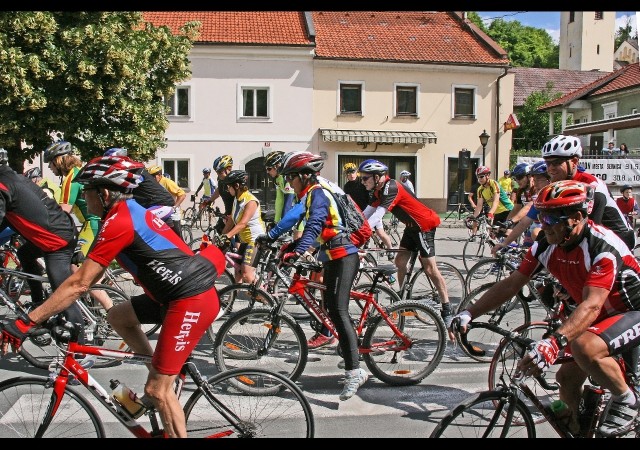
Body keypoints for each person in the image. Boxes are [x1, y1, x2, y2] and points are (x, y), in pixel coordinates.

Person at [0, 155, 226, 438]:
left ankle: (160, 388)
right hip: (171, 295)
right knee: (117, 315)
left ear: (104, 193)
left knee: (157, 390)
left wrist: (26, 323)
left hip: (190, 299)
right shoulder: (124, 212)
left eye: (87, 191)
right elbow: (88, 274)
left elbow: (79, 284)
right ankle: (157, 368)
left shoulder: (120, 221)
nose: (85, 196)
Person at [452, 180, 640, 437]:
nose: (543, 225)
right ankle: (577, 430)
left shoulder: (601, 248)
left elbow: (592, 305)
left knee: (583, 346)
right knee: (566, 379)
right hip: (598, 314)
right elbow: (511, 284)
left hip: (629, 312)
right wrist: (469, 312)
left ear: (575, 218)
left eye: (551, 219)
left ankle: (625, 399)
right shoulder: (545, 244)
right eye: (541, 217)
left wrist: (554, 342)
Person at [277, 151, 366, 400]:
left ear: (305, 176)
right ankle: (350, 351)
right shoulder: (308, 195)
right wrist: (285, 245)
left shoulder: (318, 193)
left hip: (344, 255)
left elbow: (315, 224)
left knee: (338, 310)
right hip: (332, 255)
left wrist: (300, 250)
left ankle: (354, 371)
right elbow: (300, 222)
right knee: (330, 307)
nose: (289, 183)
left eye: (291, 178)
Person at [357, 159, 454, 331]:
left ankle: (447, 308)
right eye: (362, 178)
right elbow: (366, 214)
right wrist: (350, 229)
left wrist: (358, 236)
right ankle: (403, 301)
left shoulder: (391, 187)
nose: (362, 181)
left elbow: (377, 216)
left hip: (424, 226)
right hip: (411, 227)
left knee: (430, 269)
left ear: (378, 177)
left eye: (365, 178)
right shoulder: (378, 191)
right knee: (400, 262)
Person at [0, 151, 85, 344]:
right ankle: (39, 303)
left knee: (61, 294)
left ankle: (80, 346)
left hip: (57, 241)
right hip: (58, 232)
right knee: (24, 253)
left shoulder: (3, 184)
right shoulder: (12, 177)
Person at [542, 134, 634, 250]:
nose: (550, 168)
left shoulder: (592, 185)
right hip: (593, 240)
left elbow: (589, 228)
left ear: (574, 162)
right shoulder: (559, 186)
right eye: (547, 163)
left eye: (556, 163)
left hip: (620, 240)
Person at [103, 148, 180, 240]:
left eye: (109, 163)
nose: (109, 167)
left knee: (136, 226)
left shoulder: (133, 171)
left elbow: (122, 192)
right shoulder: (130, 170)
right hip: (152, 203)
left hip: (161, 204)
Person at [45, 141, 101, 259]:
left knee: (76, 263)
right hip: (98, 222)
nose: (49, 167)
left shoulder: (71, 179)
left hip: (92, 224)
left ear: (58, 161)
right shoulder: (78, 171)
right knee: (88, 266)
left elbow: (63, 211)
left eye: (50, 163)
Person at [491, 160, 551, 254]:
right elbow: (515, 209)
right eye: (516, 178)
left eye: (519, 177)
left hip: (543, 224)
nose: (517, 181)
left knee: (535, 240)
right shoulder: (520, 192)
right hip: (531, 223)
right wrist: (506, 224)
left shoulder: (537, 190)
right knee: (524, 254)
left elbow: (528, 208)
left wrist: (511, 221)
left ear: (528, 177)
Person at [219, 170, 266, 284]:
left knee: (246, 274)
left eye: (229, 186)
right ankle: (233, 296)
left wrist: (228, 236)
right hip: (245, 240)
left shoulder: (250, 201)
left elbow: (242, 223)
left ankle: (267, 299)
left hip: (255, 240)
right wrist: (222, 236)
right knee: (238, 271)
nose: (227, 189)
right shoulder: (237, 199)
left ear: (237, 185)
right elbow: (231, 221)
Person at [471, 166, 514, 235]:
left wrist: (490, 213)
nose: (479, 179)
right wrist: (473, 217)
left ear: (487, 175)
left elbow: (496, 201)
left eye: (481, 176)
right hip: (497, 213)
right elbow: (479, 206)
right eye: (478, 177)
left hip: (507, 210)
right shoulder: (480, 189)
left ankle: (513, 244)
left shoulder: (494, 184)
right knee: (492, 234)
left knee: (507, 234)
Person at [146, 165, 186, 239]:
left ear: (159, 175)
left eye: (153, 176)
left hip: (173, 211)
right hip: (161, 211)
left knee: (177, 236)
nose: (152, 179)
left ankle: (185, 249)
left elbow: (182, 195)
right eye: (150, 177)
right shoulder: (153, 184)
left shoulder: (167, 182)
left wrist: (174, 207)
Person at [264, 151, 294, 224]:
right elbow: (279, 200)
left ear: (277, 166)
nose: (267, 172)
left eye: (269, 169)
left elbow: (289, 202)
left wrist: (284, 223)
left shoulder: (287, 178)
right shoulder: (277, 179)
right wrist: (276, 221)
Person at [210, 155, 235, 234]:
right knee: (218, 231)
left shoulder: (235, 182)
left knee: (226, 237)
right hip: (227, 214)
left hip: (236, 216)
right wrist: (208, 201)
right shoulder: (221, 180)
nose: (218, 174)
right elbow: (218, 191)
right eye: (217, 172)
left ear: (229, 168)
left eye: (220, 172)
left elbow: (238, 197)